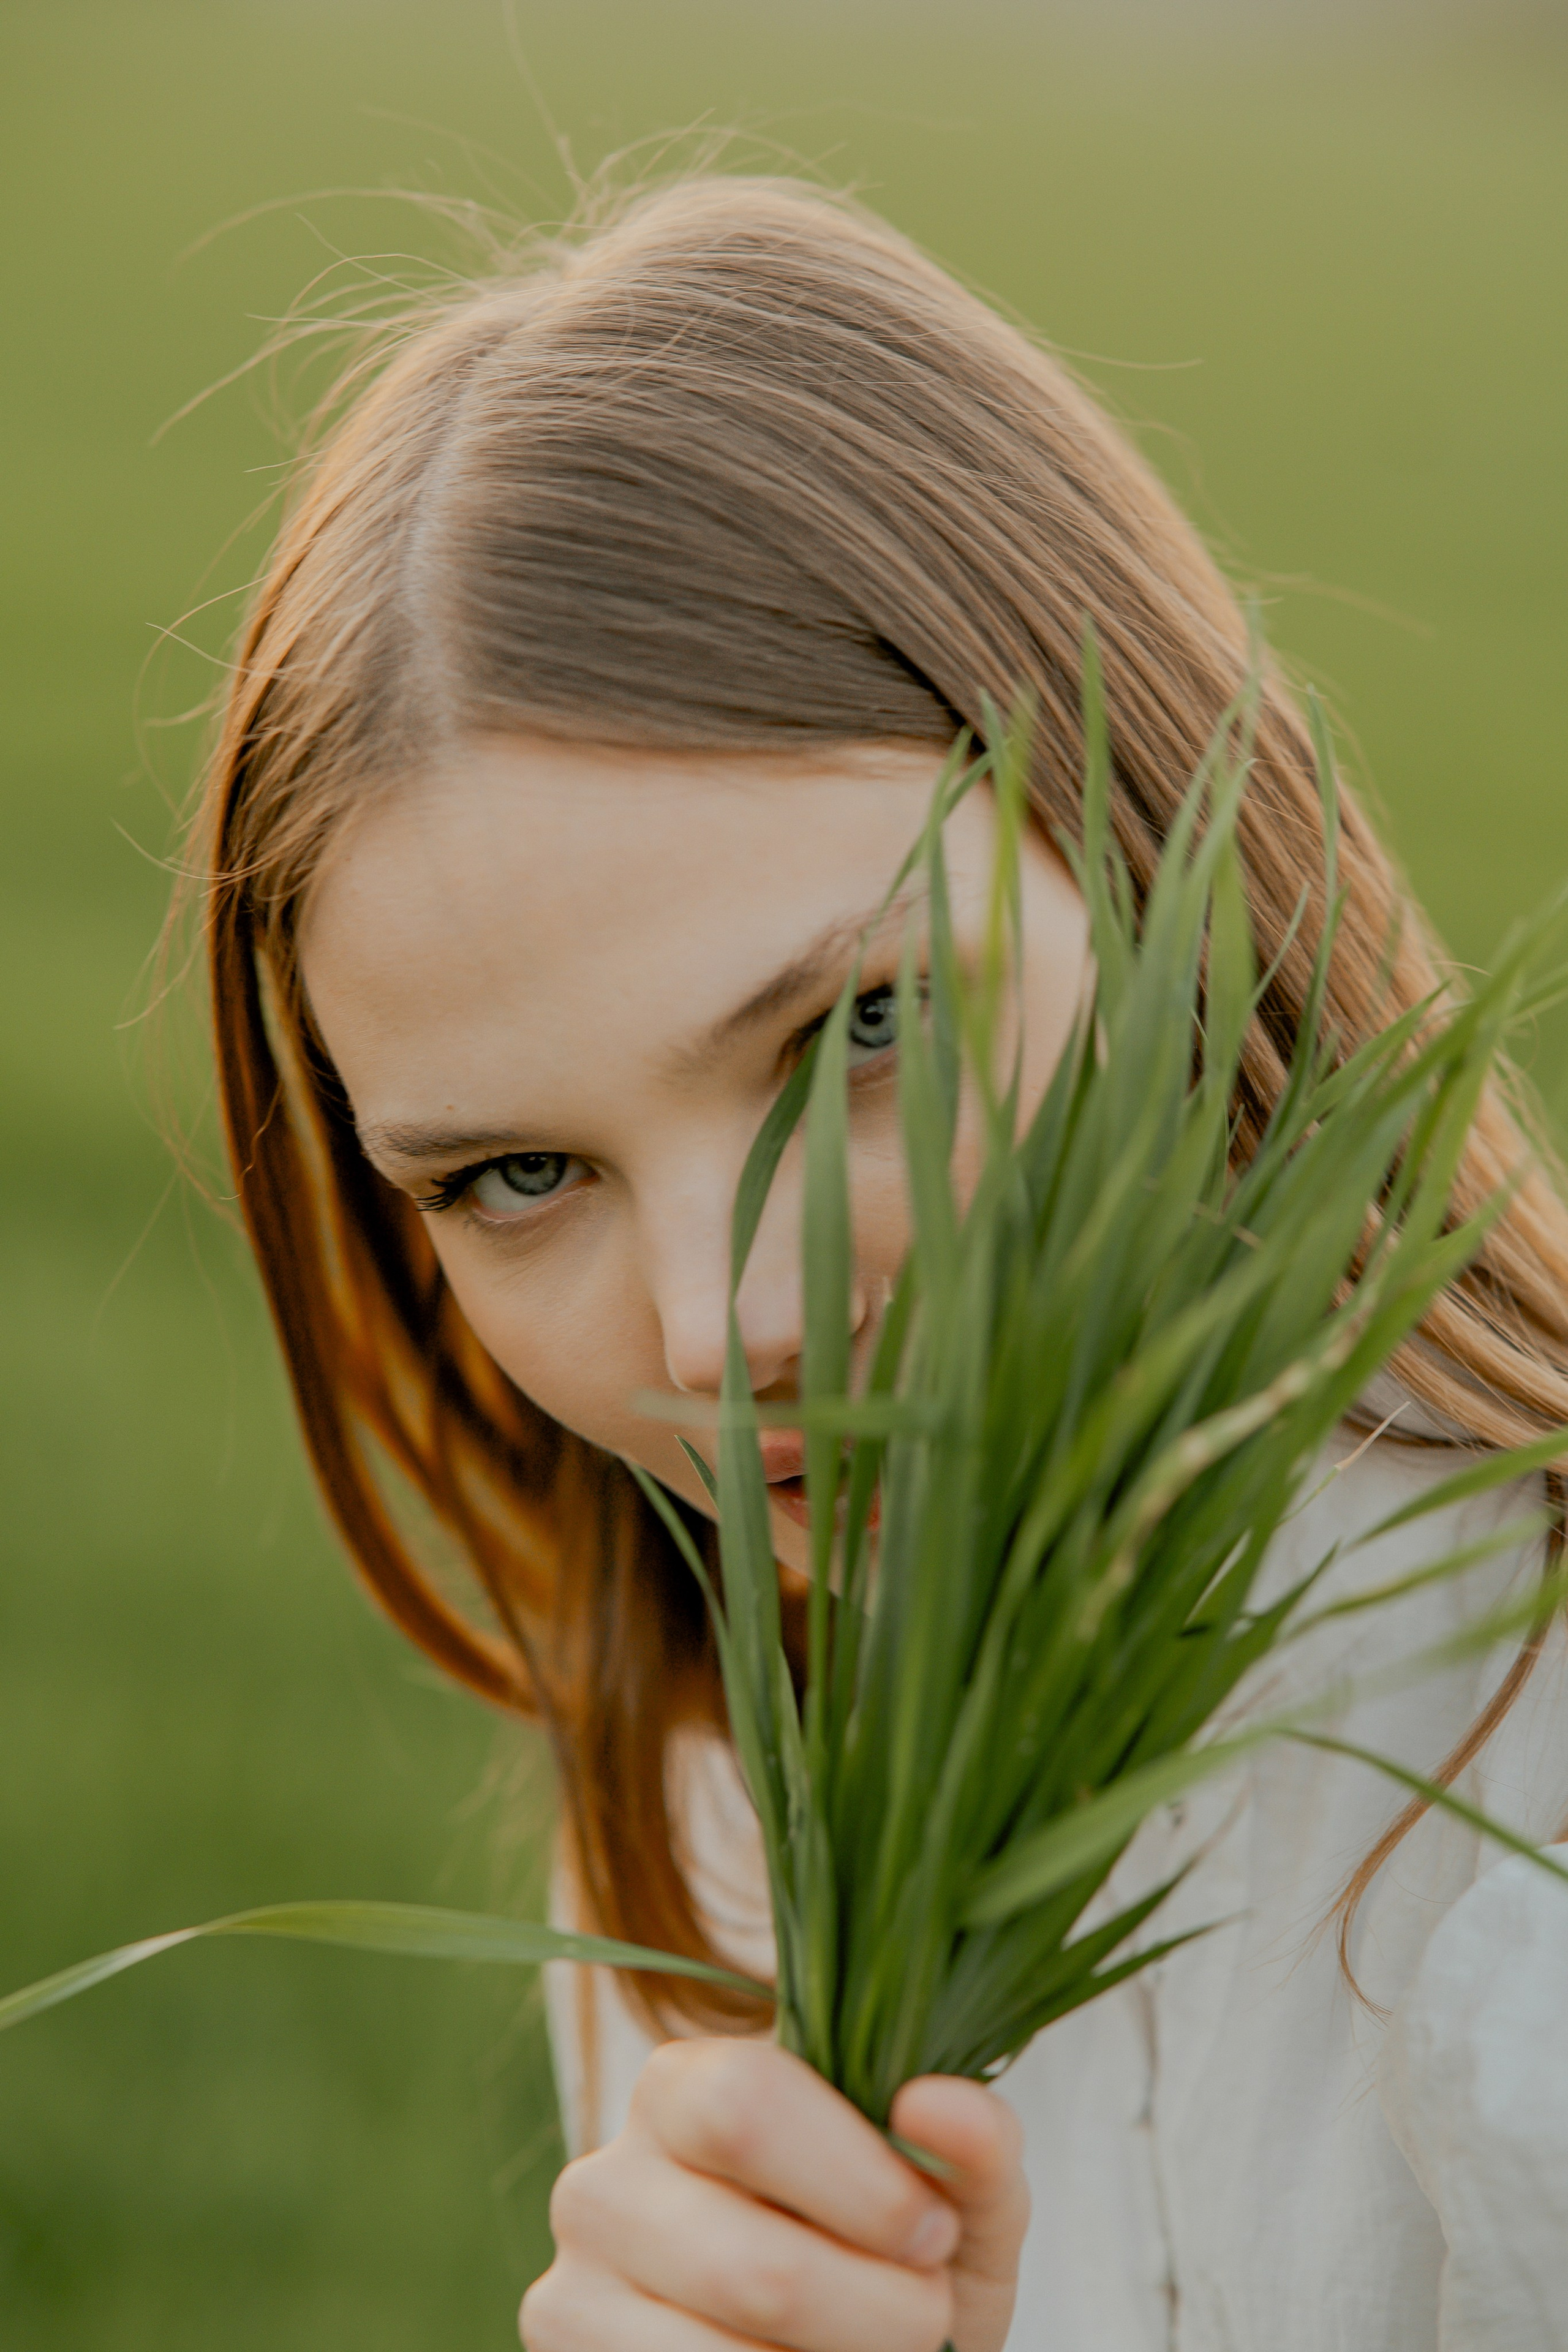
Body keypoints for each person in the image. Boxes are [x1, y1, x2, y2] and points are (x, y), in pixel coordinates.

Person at [186, 175, 1568, 2348]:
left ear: (1156, 855)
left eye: (858, 1033)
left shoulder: (1522, 1767)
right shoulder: (717, 1797)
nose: (725, 1331)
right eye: (516, 1178)